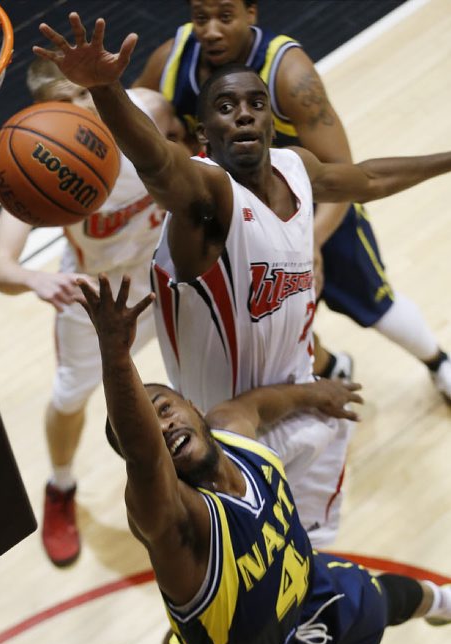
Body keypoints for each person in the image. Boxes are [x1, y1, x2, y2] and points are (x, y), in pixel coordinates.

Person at [34, 13, 451, 644]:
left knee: (300, 593)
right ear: (205, 133)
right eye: (224, 107)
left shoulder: (296, 170)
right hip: (217, 441)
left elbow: (371, 176)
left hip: (298, 412)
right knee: (208, 618)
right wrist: (104, 94)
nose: (243, 115)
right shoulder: (203, 197)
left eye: (254, 103)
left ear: (271, 115)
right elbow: (159, 165)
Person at [81, 271, 451, 644]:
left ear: (192, 406)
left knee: (388, 598)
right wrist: (115, 353)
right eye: (149, 426)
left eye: (164, 407)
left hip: (307, 594)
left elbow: (255, 405)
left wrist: (314, 394)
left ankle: (441, 604)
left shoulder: (230, 429)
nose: (163, 424)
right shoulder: (176, 522)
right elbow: (145, 454)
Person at [134, 0, 451, 400]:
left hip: (311, 206)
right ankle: (331, 367)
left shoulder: (290, 73)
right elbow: (142, 122)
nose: (211, 30)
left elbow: (346, 169)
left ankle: (438, 361)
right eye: (200, 18)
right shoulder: (171, 60)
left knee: (375, 303)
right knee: (268, 320)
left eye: (225, 17)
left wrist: (311, 241)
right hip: (232, 224)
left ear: (252, 13)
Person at [0, 56, 185, 566]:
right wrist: (36, 278)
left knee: (219, 358)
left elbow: (189, 156)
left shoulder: (151, 111)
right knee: (71, 397)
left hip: (169, 273)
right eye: (62, 103)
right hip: (94, 299)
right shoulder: (42, 155)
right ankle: (60, 486)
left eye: (83, 94)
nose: (79, 108)